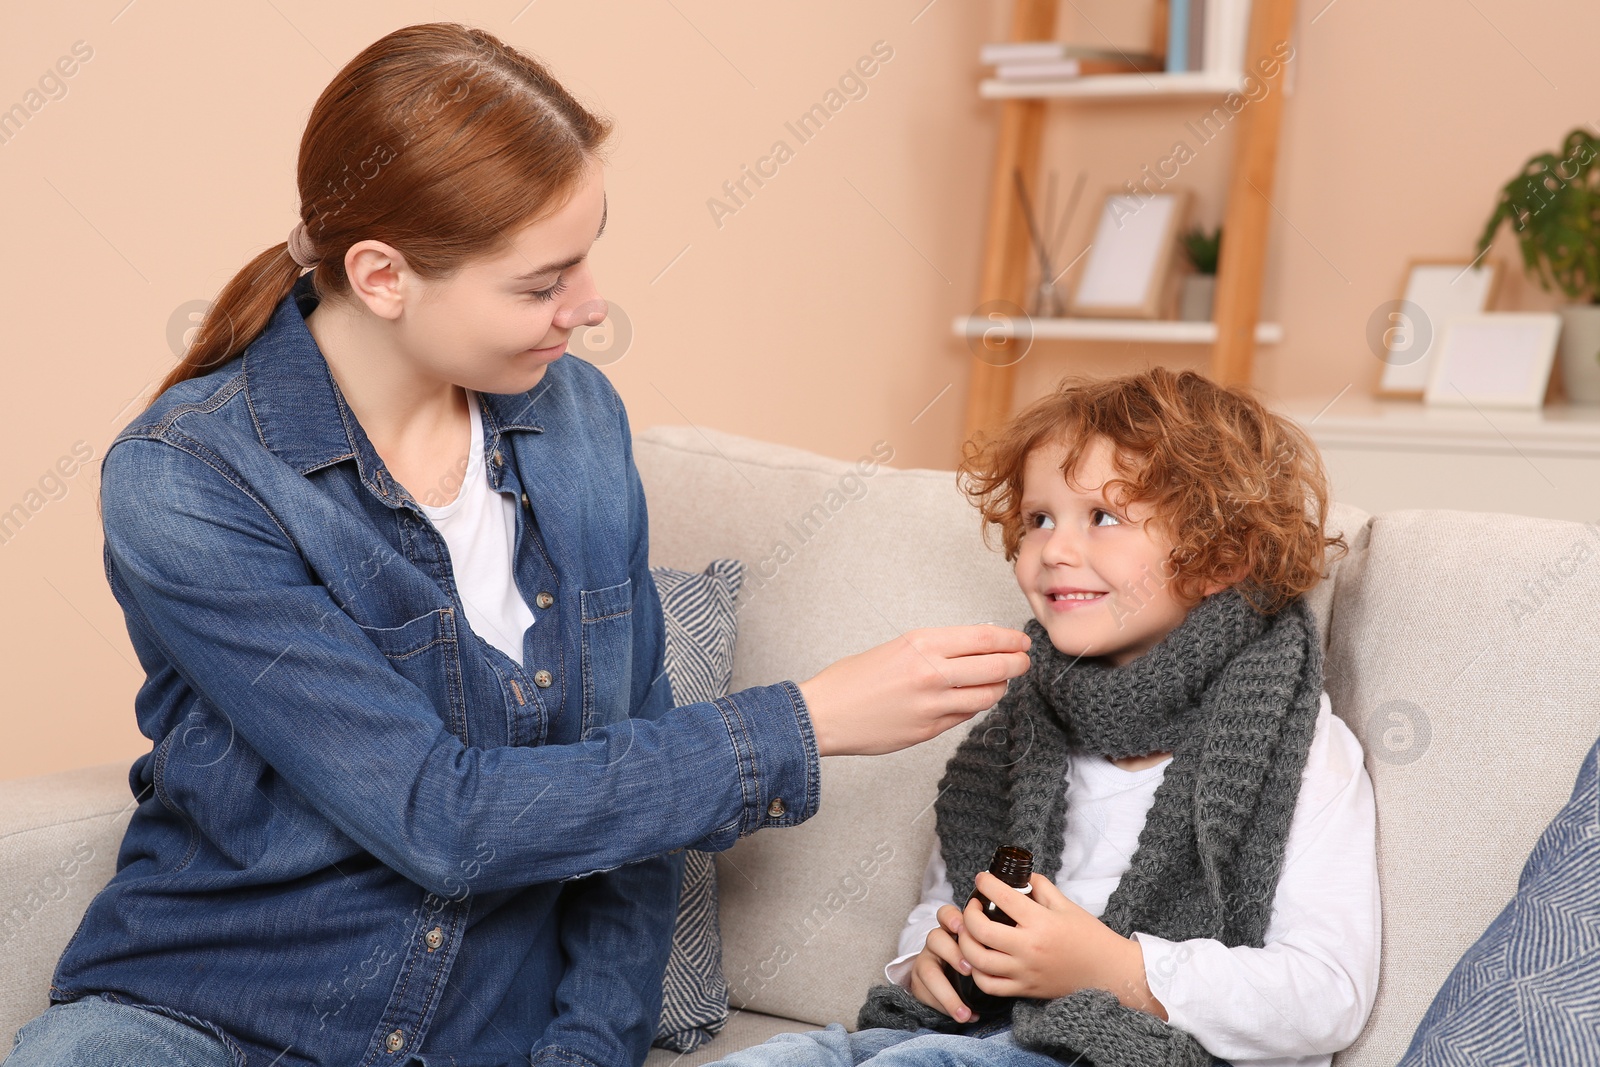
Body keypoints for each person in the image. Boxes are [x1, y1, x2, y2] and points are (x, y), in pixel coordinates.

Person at [0, 23, 1032, 1067]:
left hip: (478, 1035)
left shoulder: (576, 424)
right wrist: (801, 721)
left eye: (586, 257)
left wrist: (586, 1051)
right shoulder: (188, 478)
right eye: (541, 283)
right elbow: (436, 812)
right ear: (382, 274)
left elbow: (633, 820)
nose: (587, 309)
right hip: (205, 1020)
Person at [708, 368, 1382, 1067]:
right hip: (978, 1033)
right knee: (792, 1054)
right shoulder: (1011, 730)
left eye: (1104, 517)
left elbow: (1327, 994)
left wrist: (1115, 969)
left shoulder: (1295, 746)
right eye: (1039, 519)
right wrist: (927, 959)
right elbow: (945, 901)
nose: (1055, 549)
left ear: (1220, 556)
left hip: (1134, 1053)